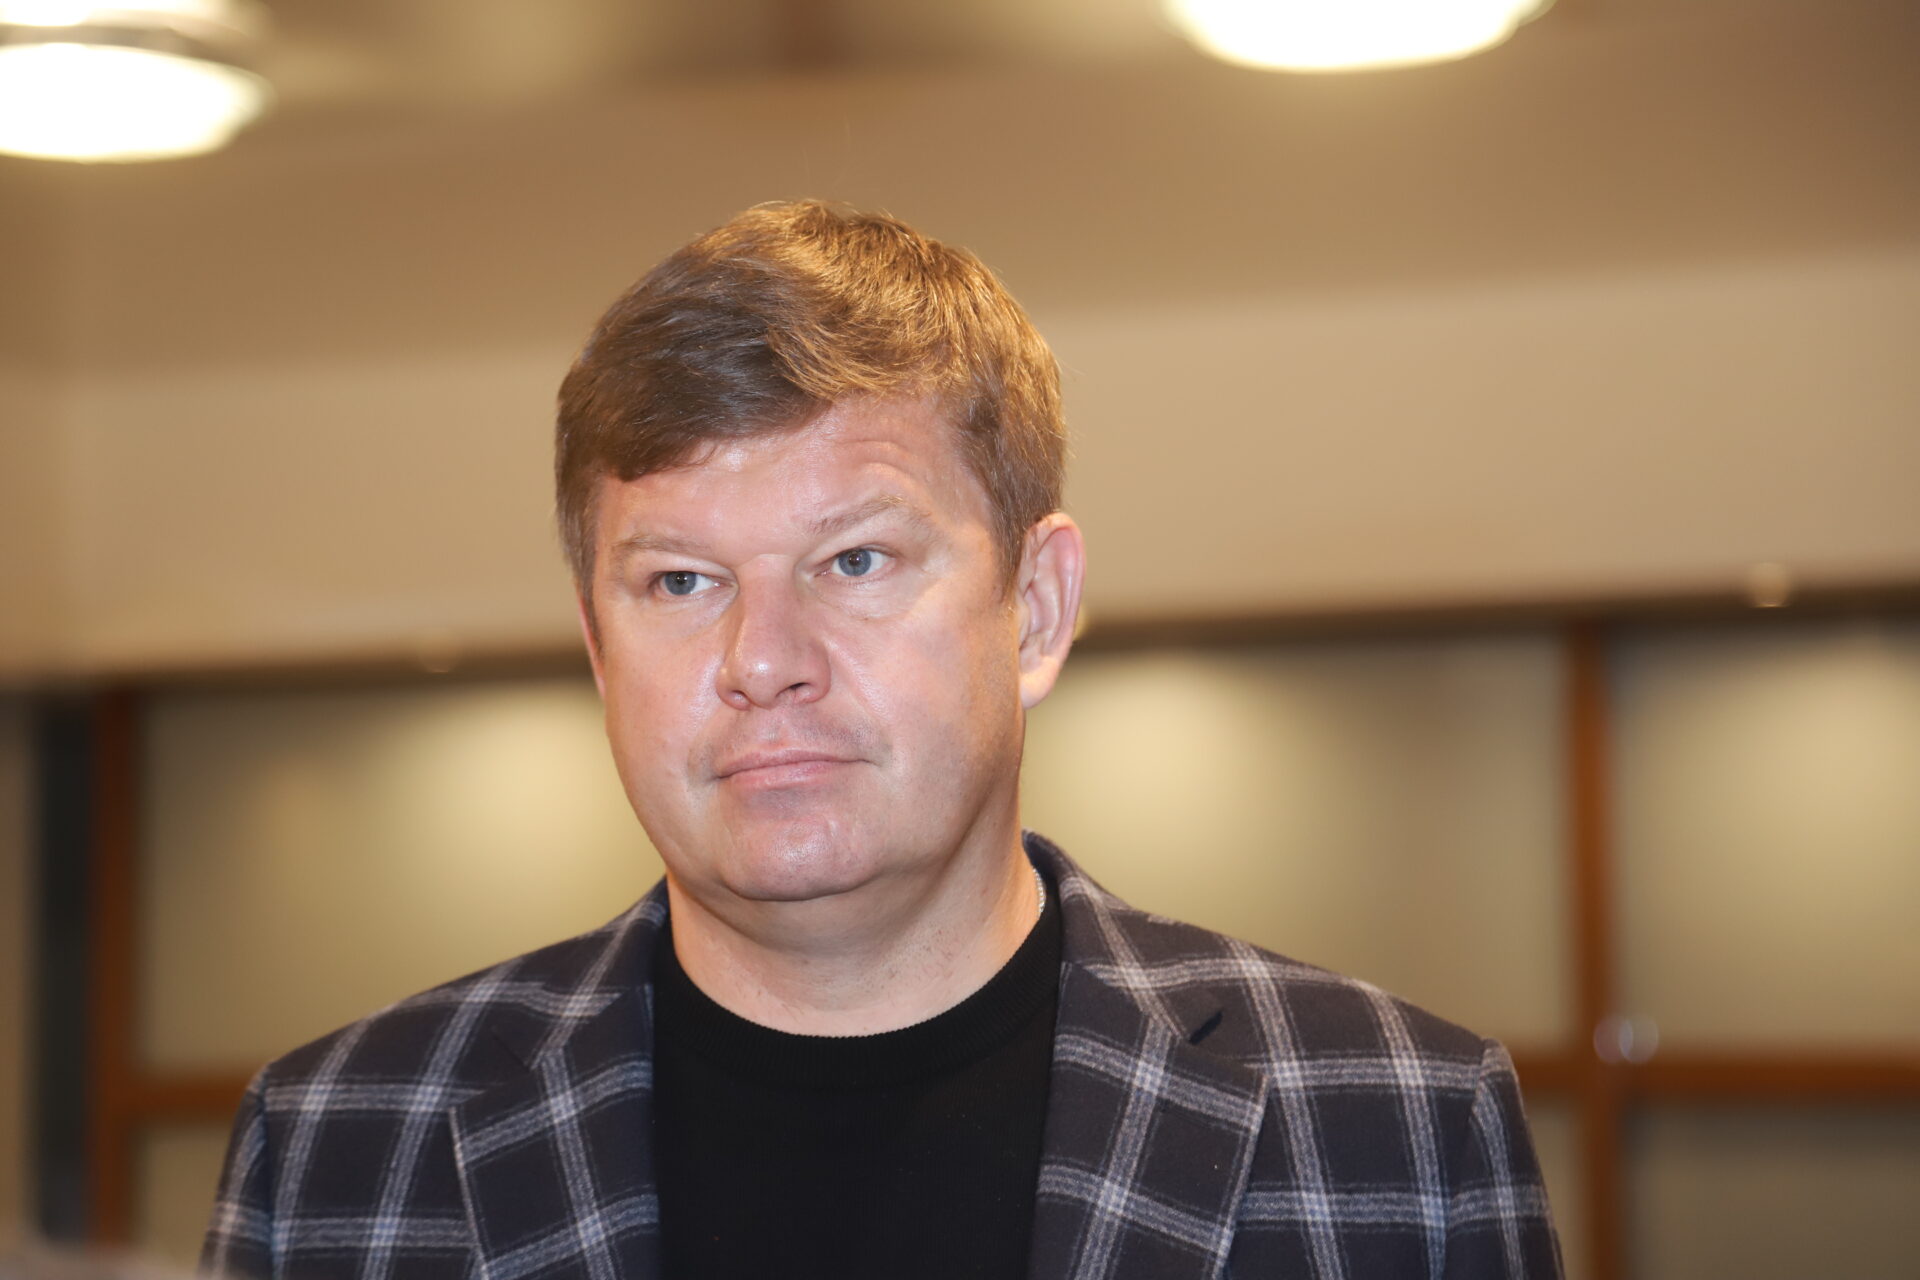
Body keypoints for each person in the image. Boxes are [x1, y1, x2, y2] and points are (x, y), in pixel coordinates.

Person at [202, 201, 1562, 1279]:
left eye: (855, 560)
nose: (762, 662)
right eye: (680, 581)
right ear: (598, 646)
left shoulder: (1395, 1126)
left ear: (1037, 610)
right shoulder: (333, 1150)